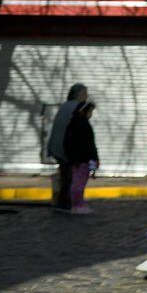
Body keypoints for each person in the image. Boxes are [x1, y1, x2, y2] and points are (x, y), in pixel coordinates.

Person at [47, 83, 87, 212]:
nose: (86, 96)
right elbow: (76, 130)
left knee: (66, 175)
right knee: (68, 177)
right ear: (78, 94)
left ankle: (63, 201)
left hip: (58, 147)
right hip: (65, 148)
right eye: (84, 93)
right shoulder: (76, 107)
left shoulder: (66, 106)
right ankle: (64, 202)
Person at [63, 98, 99, 215]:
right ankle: (78, 205)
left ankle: (76, 204)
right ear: (84, 111)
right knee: (79, 183)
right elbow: (89, 144)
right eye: (90, 112)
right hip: (83, 160)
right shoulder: (84, 125)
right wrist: (94, 159)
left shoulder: (71, 124)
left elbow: (67, 143)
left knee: (76, 182)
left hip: (75, 160)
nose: (91, 114)